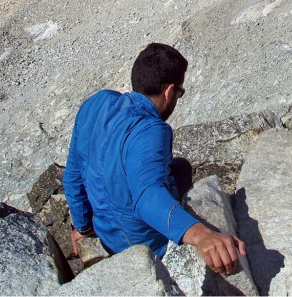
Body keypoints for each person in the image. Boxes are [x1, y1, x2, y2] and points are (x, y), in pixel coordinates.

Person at [63, 43, 245, 277]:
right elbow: (148, 196)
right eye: (180, 92)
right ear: (169, 91)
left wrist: (84, 227)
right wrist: (202, 235)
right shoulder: (151, 130)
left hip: (104, 231)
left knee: (178, 167)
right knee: (181, 170)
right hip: (142, 243)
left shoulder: (96, 103)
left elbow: (73, 174)